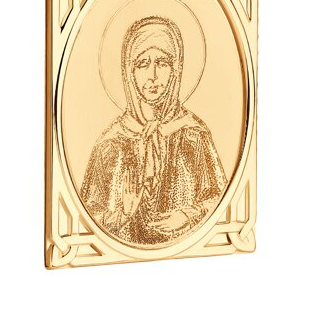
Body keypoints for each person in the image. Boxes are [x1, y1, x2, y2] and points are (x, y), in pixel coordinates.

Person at [81, 16, 226, 246]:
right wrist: (122, 215)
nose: (153, 76)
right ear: (129, 71)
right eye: (142, 64)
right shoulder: (110, 143)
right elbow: (87, 215)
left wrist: (187, 216)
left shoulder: (194, 134)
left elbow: (220, 199)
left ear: (176, 69)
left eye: (162, 62)